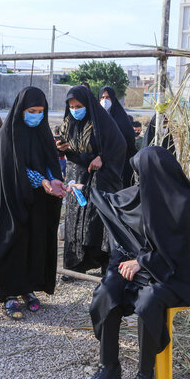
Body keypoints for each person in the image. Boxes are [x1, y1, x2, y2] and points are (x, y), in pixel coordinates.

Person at [71, 147, 190, 379]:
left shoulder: (185, 204)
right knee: (108, 290)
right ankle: (109, 365)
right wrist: (86, 188)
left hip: (175, 277)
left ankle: (145, 374)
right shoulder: (142, 195)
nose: (138, 180)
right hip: (142, 270)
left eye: (141, 174)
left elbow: (182, 255)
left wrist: (142, 262)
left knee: (149, 301)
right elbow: (112, 205)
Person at [0, 87, 66, 320]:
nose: (37, 115)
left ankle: (26, 288)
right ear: (21, 110)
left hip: (36, 199)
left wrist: (53, 179)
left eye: (41, 111)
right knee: (11, 242)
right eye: (32, 111)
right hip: (7, 199)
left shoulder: (42, 132)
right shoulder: (8, 134)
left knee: (32, 243)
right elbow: (14, 170)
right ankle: (7, 293)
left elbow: (49, 160)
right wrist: (41, 180)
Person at [56, 85, 126, 277]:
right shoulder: (68, 123)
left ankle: (105, 265)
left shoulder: (102, 122)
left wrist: (102, 157)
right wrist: (61, 148)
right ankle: (75, 265)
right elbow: (66, 146)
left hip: (99, 177)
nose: (75, 110)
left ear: (87, 104)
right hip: (76, 174)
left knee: (97, 220)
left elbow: (119, 145)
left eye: (79, 105)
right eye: (71, 106)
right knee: (75, 219)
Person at [99, 86, 138, 188]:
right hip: (101, 165)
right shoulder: (96, 119)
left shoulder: (121, 118)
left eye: (108, 97)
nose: (105, 100)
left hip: (121, 164)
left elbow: (129, 140)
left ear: (113, 99)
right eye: (102, 98)